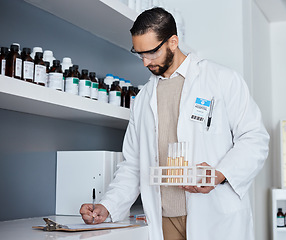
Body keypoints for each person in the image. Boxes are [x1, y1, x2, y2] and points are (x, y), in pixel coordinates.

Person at [80, 7, 269, 240]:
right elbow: (133, 165)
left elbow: (255, 138)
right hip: (164, 221)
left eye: (151, 52)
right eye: (139, 54)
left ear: (173, 41)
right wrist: (107, 205)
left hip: (214, 214)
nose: (144, 62)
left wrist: (220, 173)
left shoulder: (221, 79)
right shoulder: (143, 99)